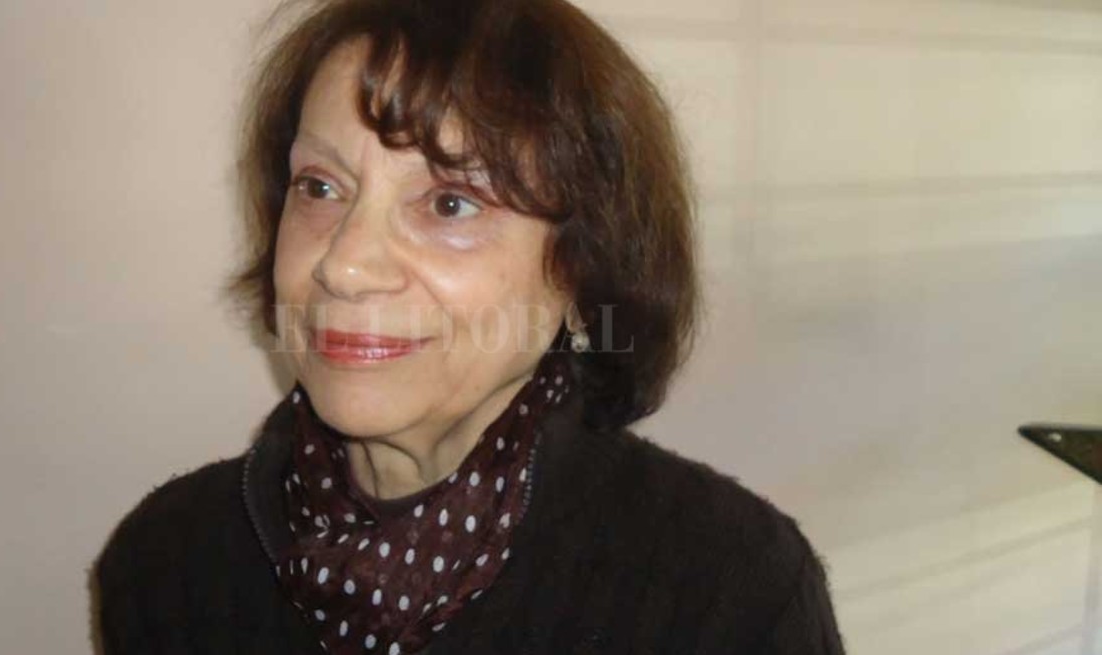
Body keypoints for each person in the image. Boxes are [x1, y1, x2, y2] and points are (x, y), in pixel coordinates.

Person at [93, 0, 847, 653]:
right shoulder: (167, 563)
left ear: (584, 271)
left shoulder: (727, 597)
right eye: (319, 187)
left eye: (450, 203)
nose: (344, 266)